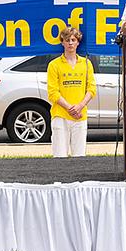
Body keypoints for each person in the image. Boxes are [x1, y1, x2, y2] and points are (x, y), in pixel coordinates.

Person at [47, 27, 96, 158]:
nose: (70, 43)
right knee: (59, 156)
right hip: (60, 116)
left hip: (80, 116)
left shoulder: (86, 63)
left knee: (79, 156)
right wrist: (70, 108)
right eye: (67, 40)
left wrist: (80, 106)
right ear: (62, 42)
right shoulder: (54, 65)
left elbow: (91, 89)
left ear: (78, 42)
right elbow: (53, 92)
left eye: (73, 40)